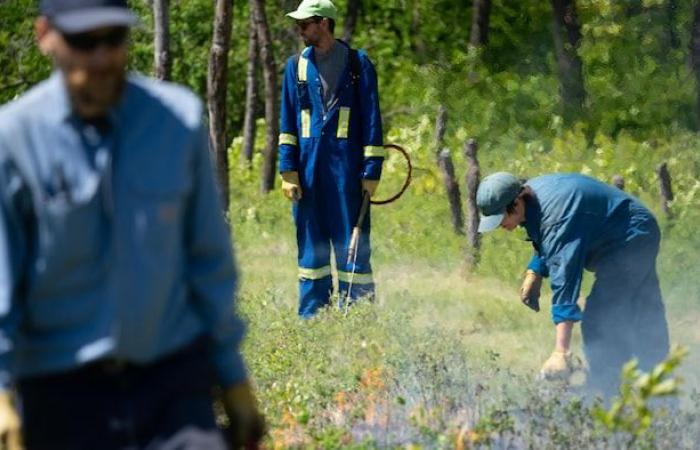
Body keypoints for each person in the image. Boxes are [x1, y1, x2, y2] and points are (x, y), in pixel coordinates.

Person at [0, 1, 264, 449]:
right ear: (46, 35)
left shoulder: (177, 121)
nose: (102, 57)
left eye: (114, 39)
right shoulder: (15, 139)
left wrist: (233, 378)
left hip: (170, 383)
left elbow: (208, 262)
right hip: (60, 389)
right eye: (84, 42)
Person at [476, 172, 670, 397]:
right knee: (645, 312)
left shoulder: (556, 214)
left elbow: (565, 277)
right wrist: (535, 271)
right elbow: (549, 237)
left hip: (630, 237)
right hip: (632, 228)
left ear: (516, 202)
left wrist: (561, 352)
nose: (499, 225)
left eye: (500, 217)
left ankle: (607, 394)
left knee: (602, 319)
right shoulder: (533, 198)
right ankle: (660, 391)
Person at [278, 0, 386, 318]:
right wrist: (288, 170)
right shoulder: (295, 66)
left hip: (347, 173)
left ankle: (358, 313)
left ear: (324, 23)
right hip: (308, 173)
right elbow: (287, 124)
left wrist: (372, 170)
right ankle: (314, 315)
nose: (299, 29)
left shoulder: (358, 65)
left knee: (351, 244)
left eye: (305, 23)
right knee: (311, 243)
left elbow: (371, 121)